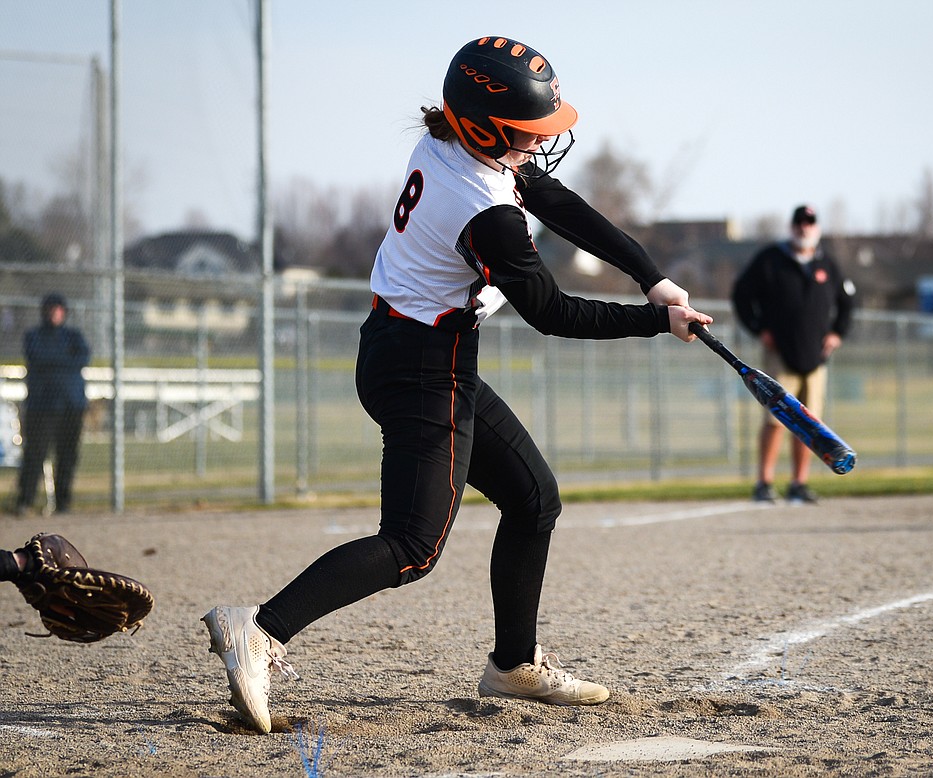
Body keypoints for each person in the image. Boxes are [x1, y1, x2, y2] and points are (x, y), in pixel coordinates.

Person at [202, 36, 712, 734]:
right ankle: (259, 626)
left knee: (534, 500)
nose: (538, 147)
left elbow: (560, 203)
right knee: (412, 546)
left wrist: (650, 273)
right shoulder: (485, 207)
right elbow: (553, 312)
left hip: (412, 349)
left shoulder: (455, 144)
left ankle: (513, 664)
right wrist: (656, 323)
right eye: (528, 135)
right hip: (421, 365)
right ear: (484, 126)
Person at [732, 205, 855, 505]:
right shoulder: (771, 260)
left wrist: (837, 333)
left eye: (810, 223)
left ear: (817, 227)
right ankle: (764, 483)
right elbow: (740, 294)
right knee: (775, 420)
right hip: (780, 354)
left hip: (815, 357)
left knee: (810, 424)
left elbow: (848, 301)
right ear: (792, 226)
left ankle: (798, 484)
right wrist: (759, 328)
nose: (804, 228)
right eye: (799, 223)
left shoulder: (827, 263)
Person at [14, 293, 90, 515]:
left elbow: (83, 358)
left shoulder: (74, 336)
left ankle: (63, 503)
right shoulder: (34, 335)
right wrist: (65, 361)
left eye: (59, 309)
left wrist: (53, 361)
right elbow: (36, 357)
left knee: (67, 455)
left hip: (71, 406)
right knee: (35, 455)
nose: (55, 313)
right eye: (51, 309)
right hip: (42, 407)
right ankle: (25, 501)